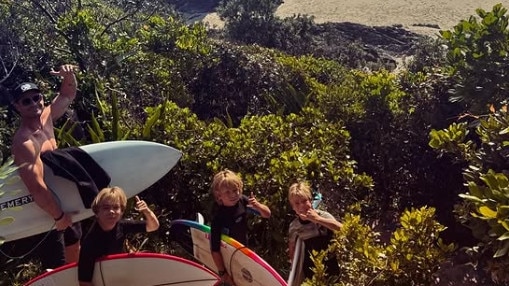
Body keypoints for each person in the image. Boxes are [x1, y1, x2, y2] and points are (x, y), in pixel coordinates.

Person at [10, 64, 82, 269]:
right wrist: (58, 216)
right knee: (57, 267)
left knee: (75, 252)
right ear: (17, 106)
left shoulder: (47, 118)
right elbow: (36, 187)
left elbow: (67, 95)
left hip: (64, 201)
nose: (34, 103)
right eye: (26, 101)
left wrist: (68, 76)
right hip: (47, 212)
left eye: (37, 97)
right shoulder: (24, 142)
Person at [78, 186, 159, 286]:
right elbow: (84, 282)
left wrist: (147, 211)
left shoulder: (122, 226)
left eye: (116, 207)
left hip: (117, 276)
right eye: (106, 208)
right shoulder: (90, 243)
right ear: (97, 212)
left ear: (121, 212)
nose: (111, 211)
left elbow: (153, 226)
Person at [210, 169, 271, 286]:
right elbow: (215, 250)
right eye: (227, 192)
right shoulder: (218, 217)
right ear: (219, 195)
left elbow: (267, 214)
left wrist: (257, 205)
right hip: (228, 257)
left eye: (235, 190)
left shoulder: (242, 200)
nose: (233, 195)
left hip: (243, 250)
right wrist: (223, 273)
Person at [287, 181, 342, 282]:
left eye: (304, 201)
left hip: (331, 267)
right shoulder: (294, 226)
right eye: (297, 203)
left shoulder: (323, 215)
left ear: (310, 200)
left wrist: (317, 219)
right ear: (293, 207)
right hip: (310, 271)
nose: (301, 206)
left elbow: (341, 228)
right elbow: (292, 250)